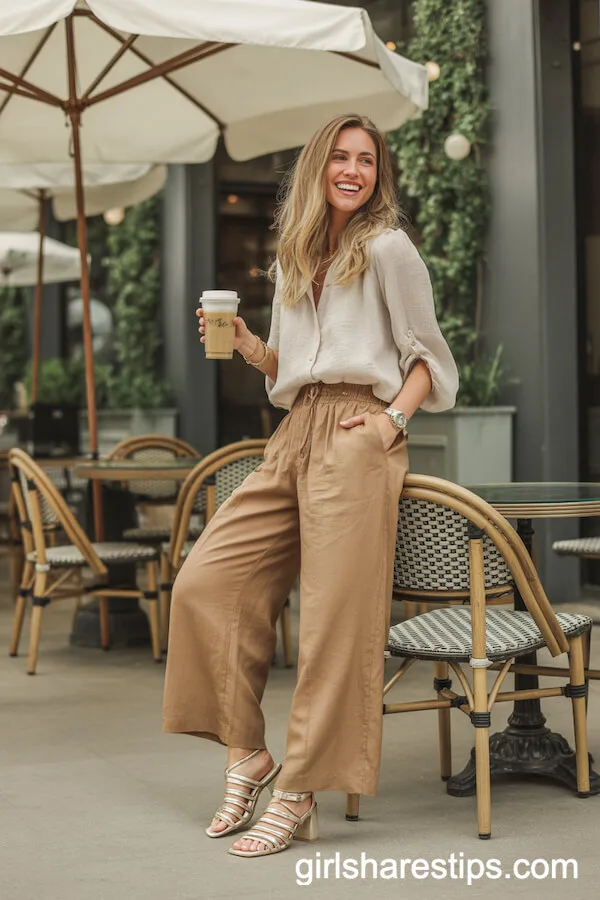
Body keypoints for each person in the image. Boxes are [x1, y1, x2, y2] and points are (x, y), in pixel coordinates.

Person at [162, 113, 459, 858]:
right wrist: (258, 352)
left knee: (334, 619)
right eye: (340, 157)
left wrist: (391, 421)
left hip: (361, 429)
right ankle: (248, 754)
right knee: (206, 583)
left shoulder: (389, 249)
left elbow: (429, 356)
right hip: (295, 428)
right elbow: (296, 368)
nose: (353, 170)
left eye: (367, 159)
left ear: (377, 173)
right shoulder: (294, 255)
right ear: (317, 168)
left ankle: (297, 789)